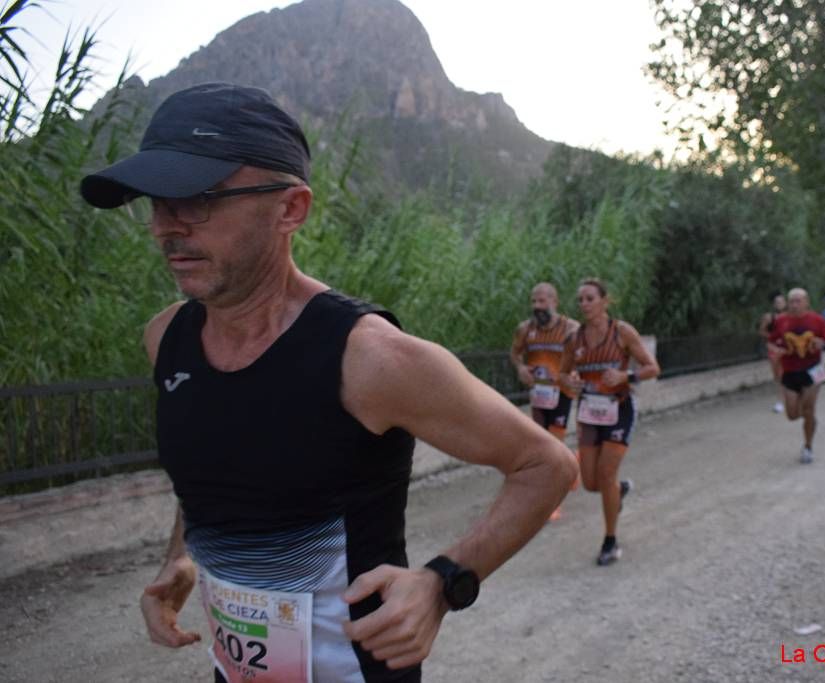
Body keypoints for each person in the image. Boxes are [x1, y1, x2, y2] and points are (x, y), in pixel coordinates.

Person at [79, 83, 577, 683]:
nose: (167, 226)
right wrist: (179, 558)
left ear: (290, 208)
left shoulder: (369, 358)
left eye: (198, 198)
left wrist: (443, 583)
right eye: (156, 201)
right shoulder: (167, 340)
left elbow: (545, 465)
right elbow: (217, 467)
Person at [559, 278, 660, 566]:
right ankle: (619, 490)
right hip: (589, 414)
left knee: (606, 474)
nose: (584, 304)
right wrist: (571, 383)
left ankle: (610, 541)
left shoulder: (622, 332)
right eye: (580, 300)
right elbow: (562, 375)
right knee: (591, 482)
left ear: (605, 301)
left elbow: (653, 368)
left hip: (620, 409)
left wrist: (625, 377)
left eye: (590, 298)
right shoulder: (574, 339)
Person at [510, 282, 580, 521]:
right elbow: (515, 353)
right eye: (533, 301)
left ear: (555, 302)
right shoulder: (525, 329)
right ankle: (573, 466)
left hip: (561, 394)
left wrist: (573, 375)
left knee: (552, 446)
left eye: (542, 301)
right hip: (539, 395)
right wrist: (520, 368)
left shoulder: (570, 328)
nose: (537, 306)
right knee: (543, 445)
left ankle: (552, 502)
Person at [766, 288, 825, 464]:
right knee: (792, 415)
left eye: (798, 301)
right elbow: (771, 342)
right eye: (792, 301)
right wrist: (777, 351)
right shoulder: (781, 321)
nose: (795, 304)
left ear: (807, 302)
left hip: (813, 370)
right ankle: (809, 419)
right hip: (790, 371)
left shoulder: (818, 320)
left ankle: (808, 446)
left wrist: (823, 344)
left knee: (809, 409)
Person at [758, 291, 788, 413]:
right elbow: (761, 331)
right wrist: (773, 337)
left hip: (789, 348)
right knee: (779, 377)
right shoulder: (769, 317)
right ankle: (781, 402)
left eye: (782, 301)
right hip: (775, 349)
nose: (780, 304)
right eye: (777, 302)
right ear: (773, 304)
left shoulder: (791, 315)